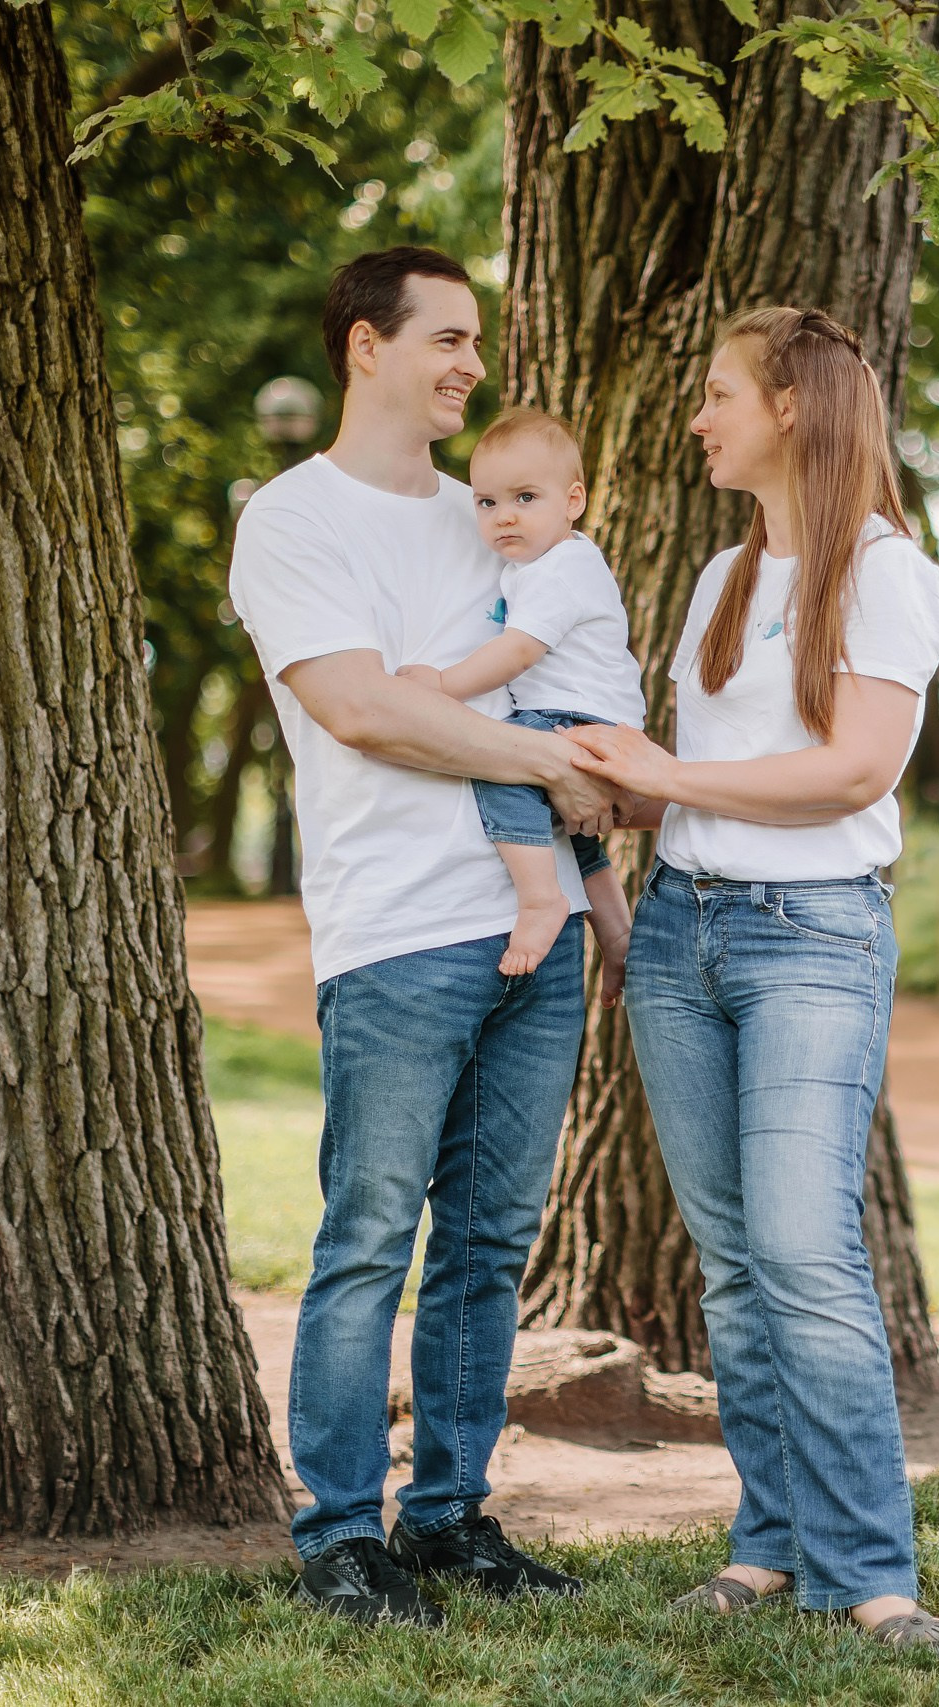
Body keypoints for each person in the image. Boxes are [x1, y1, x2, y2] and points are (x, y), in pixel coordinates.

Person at [565, 305, 939, 1652]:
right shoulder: (724, 574)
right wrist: (625, 822)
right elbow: (711, 767)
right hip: (683, 934)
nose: (699, 413)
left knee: (803, 1250)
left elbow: (856, 770)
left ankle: (876, 1575)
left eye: (720, 389)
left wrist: (667, 776)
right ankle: (772, 1542)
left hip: (813, 935)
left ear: (791, 402)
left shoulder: (888, 569)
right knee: (732, 1264)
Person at [227, 246, 611, 1627]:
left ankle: (448, 1516)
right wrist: (550, 766)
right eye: (443, 336)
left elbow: (565, 667)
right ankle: (339, 1529)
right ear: (362, 346)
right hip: (395, 935)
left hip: (540, 927)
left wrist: (583, 784)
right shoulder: (293, 517)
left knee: (489, 1242)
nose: (468, 361)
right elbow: (363, 708)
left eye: (475, 339)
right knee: (370, 1235)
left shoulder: (491, 514)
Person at [392, 408, 642, 1005]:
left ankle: (540, 900)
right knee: (576, 838)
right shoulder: (538, 564)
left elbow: (518, 652)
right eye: (486, 502)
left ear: (573, 499)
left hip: (573, 718)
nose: (504, 515)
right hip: (594, 719)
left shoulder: (562, 569)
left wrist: (441, 686)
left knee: (498, 767)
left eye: (526, 497)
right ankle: (617, 928)